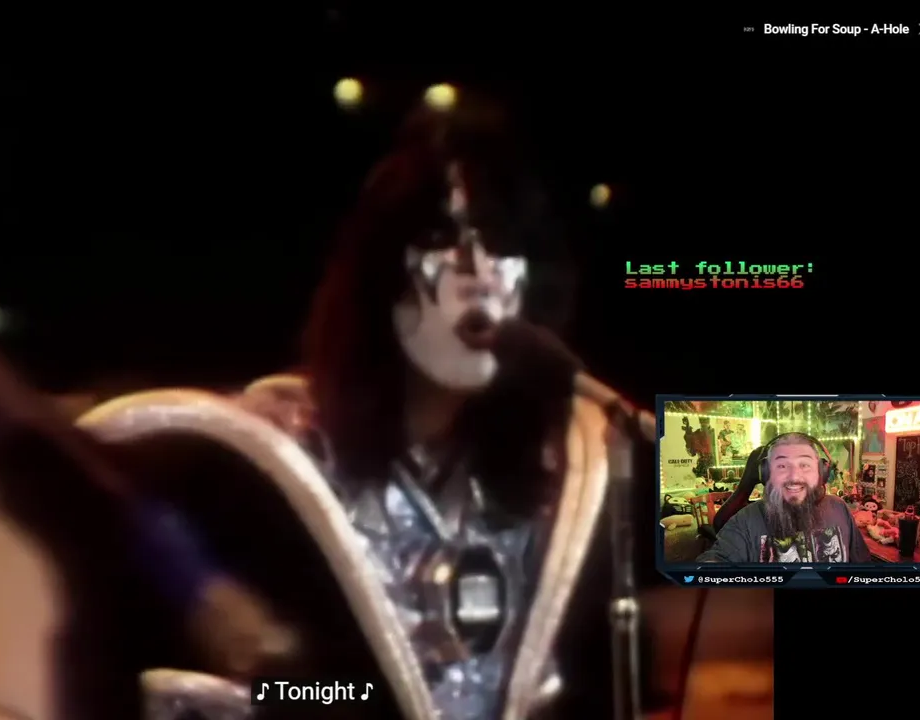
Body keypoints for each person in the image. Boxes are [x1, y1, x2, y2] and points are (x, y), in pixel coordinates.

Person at [78, 99, 623, 720]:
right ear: (382, 275)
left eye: (500, 243)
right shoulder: (280, 445)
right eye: (440, 240)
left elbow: (724, 546)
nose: (477, 273)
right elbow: (87, 466)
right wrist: (201, 591)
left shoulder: (576, 454)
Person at [697, 433, 871, 563]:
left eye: (805, 465)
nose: (794, 476)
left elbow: (862, 566)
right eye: (782, 466)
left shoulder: (839, 508)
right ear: (766, 473)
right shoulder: (745, 521)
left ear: (821, 472)